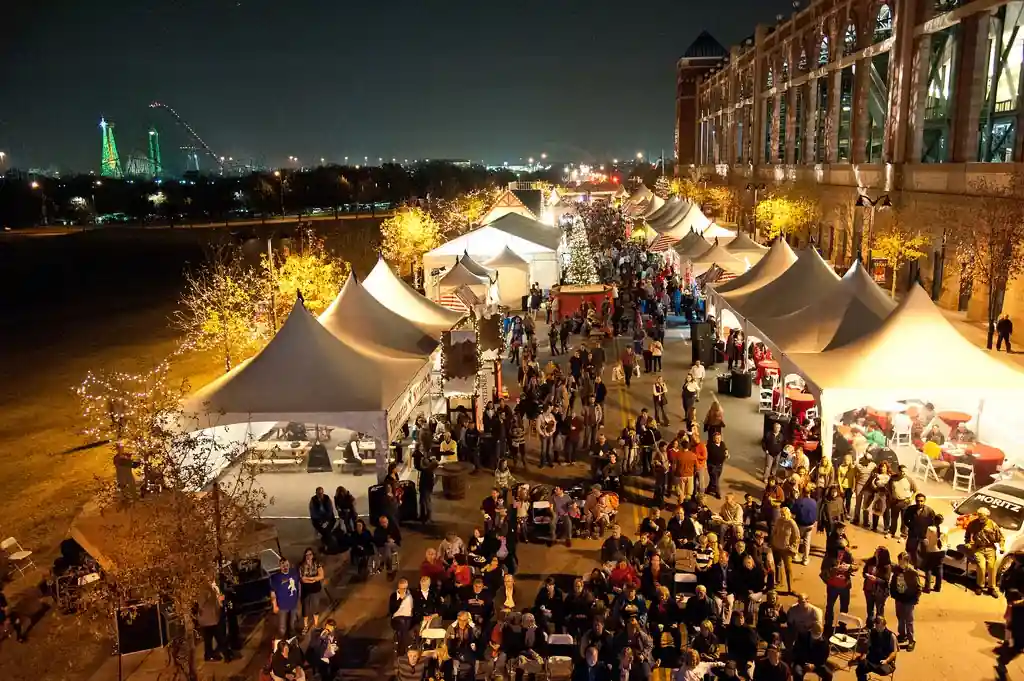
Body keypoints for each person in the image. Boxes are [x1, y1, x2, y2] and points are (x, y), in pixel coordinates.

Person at [965, 506, 1005, 597]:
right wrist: (968, 543)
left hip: (990, 548)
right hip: (978, 548)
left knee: (991, 567)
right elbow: (967, 536)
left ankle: (991, 587)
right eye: (979, 516)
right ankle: (980, 585)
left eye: (982, 516)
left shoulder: (993, 525)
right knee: (981, 567)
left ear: (987, 516)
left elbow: (1001, 538)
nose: (981, 518)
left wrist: (1002, 546)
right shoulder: (973, 524)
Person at [822, 537, 855, 635]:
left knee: (844, 606)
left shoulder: (848, 555)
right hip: (832, 586)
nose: (842, 551)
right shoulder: (829, 556)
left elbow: (855, 566)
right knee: (830, 606)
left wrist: (850, 567)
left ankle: (842, 625)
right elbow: (824, 568)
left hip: (845, 586)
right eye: (840, 549)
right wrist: (835, 569)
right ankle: (828, 625)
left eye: (844, 549)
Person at [889, 551, 920, 651]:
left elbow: (918, 588)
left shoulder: (913, 573)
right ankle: (902, 635)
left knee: (909, 621)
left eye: (902, 562)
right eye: (899, 561)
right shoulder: (897, 570)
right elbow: (893, 581)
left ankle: (911, 640)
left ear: (907, 562)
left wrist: (915, 599)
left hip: (909, 601)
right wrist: (893, 593)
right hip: (899, 598)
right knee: (900, 618)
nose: (900, 564)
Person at [197, 581, 233, 662]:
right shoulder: (205, 590)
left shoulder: (209, 588)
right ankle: (226, 655)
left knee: (209, 639)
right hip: (210, 619)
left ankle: (209, 655)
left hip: (209, 619)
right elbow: (201, 604)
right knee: (219, 637)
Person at [853, 617, 898, 681]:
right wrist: (864, 654)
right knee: (859, 669)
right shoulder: (872, 632)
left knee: (882, 670)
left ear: (884, 625)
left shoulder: (891, 636)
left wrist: (887, 660)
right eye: (876, 626)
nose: (877, 629)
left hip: (884, 662)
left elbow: (894, 652)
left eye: (879, 627)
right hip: (872, 659)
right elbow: (867, 646)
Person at [270, 557, 301, 639]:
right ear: (280, 566)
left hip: (293, 604)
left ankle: (292, 641)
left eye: (287, 565)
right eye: (283, 565)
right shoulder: (275, 578)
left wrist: (298, 600)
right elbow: (272, 592)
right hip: (282, 606)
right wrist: (274, 605)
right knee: (282, 628)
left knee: (292, 625)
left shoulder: (294, 573)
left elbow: (298, 586)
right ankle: (280, 643)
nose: (285, 567)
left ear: (289, 564)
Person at [770, 507, 799, 594]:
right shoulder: (778, 521)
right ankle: (779, 582)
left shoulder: (792, 523)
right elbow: (774, 532)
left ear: (788, 514)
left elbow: (797, 537)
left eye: (784, 514)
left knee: (788, 569)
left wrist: (792, 547)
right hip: (776, 547)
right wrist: (773, 542)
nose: (782, 516)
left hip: (786, 550)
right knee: (778, 565)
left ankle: (791, 588)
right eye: (781, 514)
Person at [298, 547, 325, 633]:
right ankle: (305, 626)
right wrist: (313, 579)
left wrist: (311, 578)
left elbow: (321, 576)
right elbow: (302, 579)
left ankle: (316, 624)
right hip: (305, 590)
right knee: (305, 608)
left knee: (315, 607)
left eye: (310, 554)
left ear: (313, 555)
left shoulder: (317, 564)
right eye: (306, 555)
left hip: (315, 590)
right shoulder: (301, 565)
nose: (308, 556)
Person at [862, 546, 892, 623]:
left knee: (879, 612)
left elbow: (886, 581)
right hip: (868, 589)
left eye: (878, 551)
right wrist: (866, 575)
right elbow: (864, 573)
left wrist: (876, 579)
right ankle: (869, 626)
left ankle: (880, 628)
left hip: (880, 592)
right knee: (869, 609)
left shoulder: (887, 566)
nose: (875, 552)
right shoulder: (870, 561)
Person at [886, 466, 917, 539]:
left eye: (905, 471)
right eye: (902, 471)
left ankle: (903, 535)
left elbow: (916, 490)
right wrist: (891, 497)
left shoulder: (910, 480)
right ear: (898, 471)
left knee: (904, 520)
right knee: (894, 519)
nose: (904, 473)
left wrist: (911, 498)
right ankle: (891, 532)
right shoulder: (893, 478)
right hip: (895, 502)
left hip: (905, 502)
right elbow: (888, 488)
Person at [792, 487, 817, 566]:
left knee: (797, 539)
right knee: (807, 542)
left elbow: (793, 511)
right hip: (810, 525)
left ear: (803, 492)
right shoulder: (814, 502)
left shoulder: (799, 501)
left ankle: (795, 555)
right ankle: (805, 559)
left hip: (801, 524)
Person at [922, 515, 946, 593]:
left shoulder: (930, 529)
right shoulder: (945, 529)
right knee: (939, 568)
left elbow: (926, 541)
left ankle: (927, 587)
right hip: (942, 550)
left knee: (928, 568)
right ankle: (938, 587)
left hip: (932, 550)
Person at [415, 447, 439, 523]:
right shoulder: (429, 470)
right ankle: (423, 516)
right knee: (422, 501)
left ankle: (428, 517)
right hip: (425, 487)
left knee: (426, 502)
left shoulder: (426, 470)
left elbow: (418, 466)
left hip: (425, 487)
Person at [705, 431, 728, 499]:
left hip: (720, 465)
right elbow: (705, 454)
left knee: (714, 478)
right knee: (715, 480)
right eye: (716, 438)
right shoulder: (710, 445)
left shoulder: (722, 444)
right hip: (712, 465)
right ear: (713, 439)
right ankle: (718, 493)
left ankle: (709, 489)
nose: (718, 440)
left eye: (719, 438)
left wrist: (726, 453)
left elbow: (725, 449)